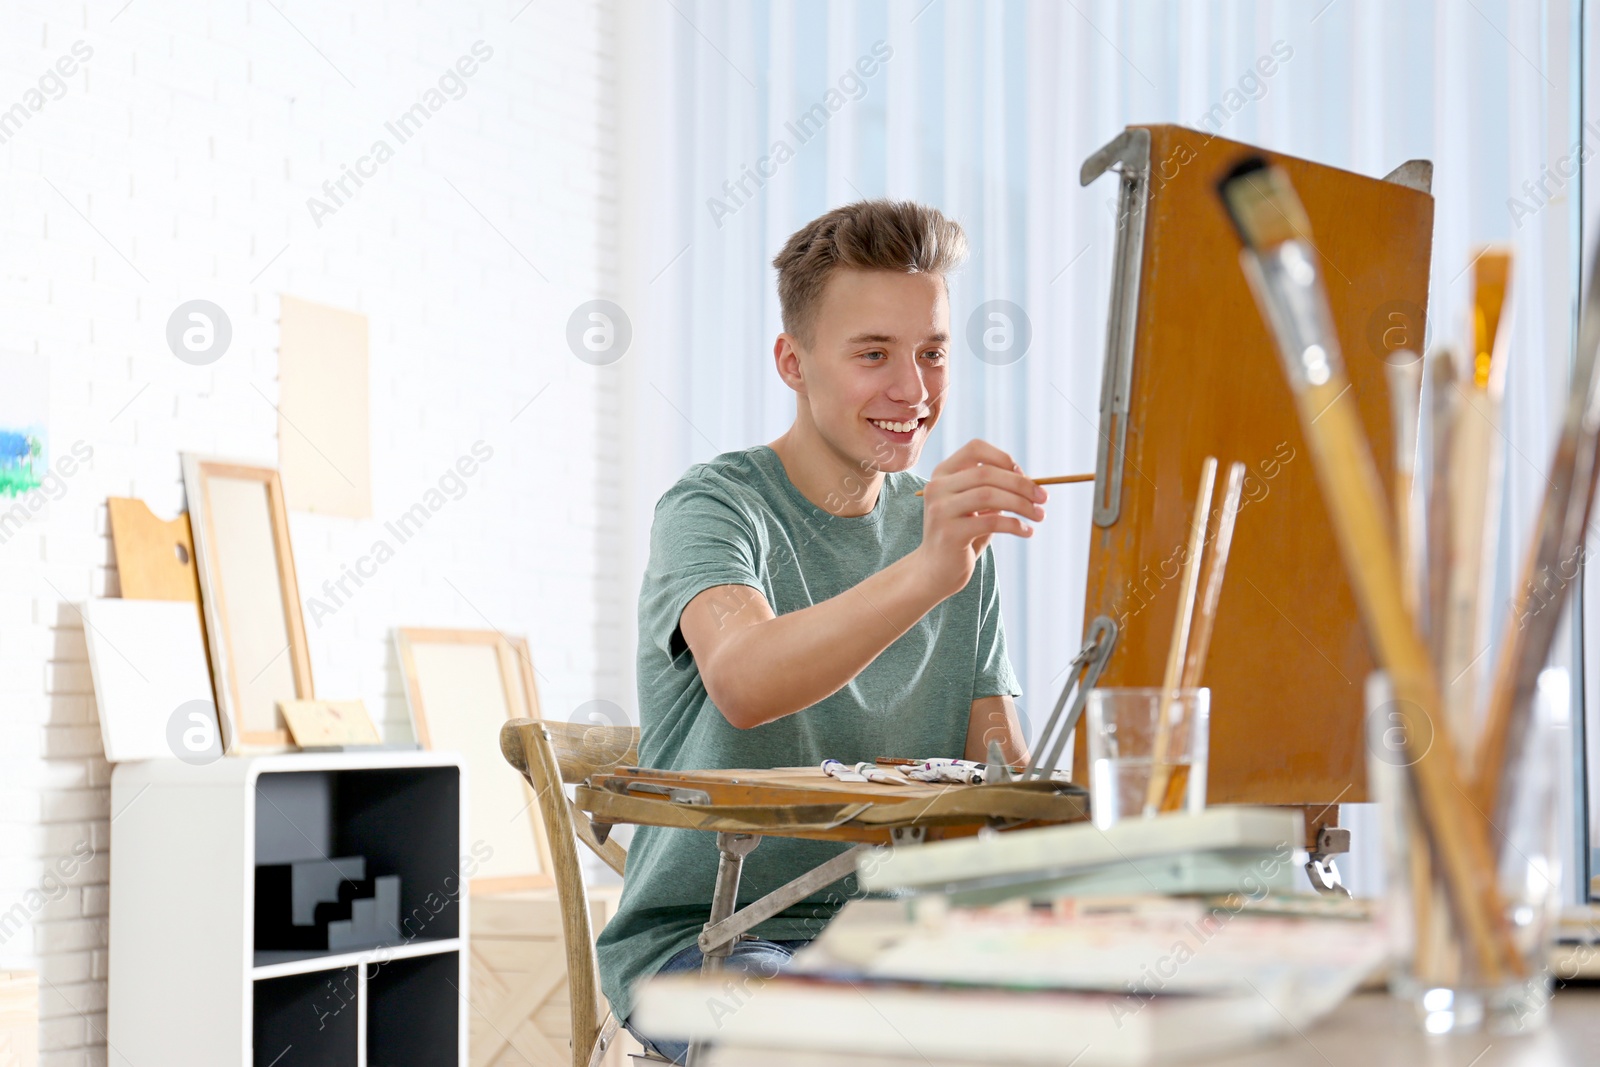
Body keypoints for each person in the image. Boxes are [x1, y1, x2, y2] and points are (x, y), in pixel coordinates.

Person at [597, 199, 1047, 1062]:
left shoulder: (954, 541)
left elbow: (1003, 788)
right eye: (874, 353)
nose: (913, 391)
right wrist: (926, 571)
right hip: (713, 943)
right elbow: (746, 679)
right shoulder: (715, 507)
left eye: (933, 353)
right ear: (793, 363)